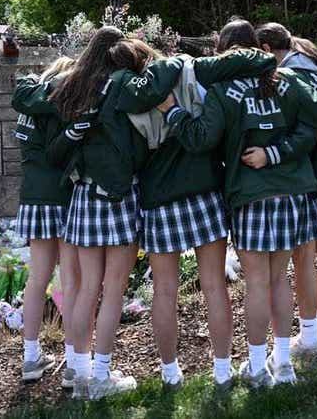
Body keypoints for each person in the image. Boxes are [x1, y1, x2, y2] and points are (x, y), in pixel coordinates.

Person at [156, 19, 317, 388]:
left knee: (256, 284)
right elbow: (311, 129)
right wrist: (275, 151)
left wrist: (172, 111)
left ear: (224, 52)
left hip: (252, 197)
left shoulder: (221, 89)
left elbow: (202, 139)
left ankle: (255, 368)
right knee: (279, 280)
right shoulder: (288, 81)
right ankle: (283, 365)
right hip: (294, 192)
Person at [114, 37, 276, 390]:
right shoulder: (189, 69)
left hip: (158, 198)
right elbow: (248, 60)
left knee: (164, 292)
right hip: (204, 190)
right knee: (215, 286)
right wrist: (265, 61)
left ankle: (170, 374)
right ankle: (221, 371)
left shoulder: (121, 95)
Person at [47, 26, 150, 400]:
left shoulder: (75, 86)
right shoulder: (122, 86)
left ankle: (77, 372)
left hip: (83, 194)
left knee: (87, 289)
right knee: (113, 292)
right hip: (119, 195)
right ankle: (101, 378)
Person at [250, 23, 317, 355]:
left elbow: (314, 120)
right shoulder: (308, 60)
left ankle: (315, 334)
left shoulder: (292, 75)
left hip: (314, 171)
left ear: (265, 48)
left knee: (310, 254)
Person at [11, 56, 80, 384]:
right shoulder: (56, 106)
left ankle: (30, 356)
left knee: (36, 280)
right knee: (70, 281)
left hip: (33, 196)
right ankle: (72, 360)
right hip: (62, 196)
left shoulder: (28, 102)